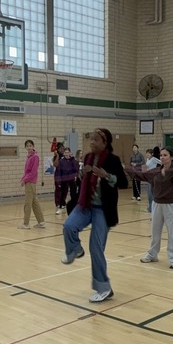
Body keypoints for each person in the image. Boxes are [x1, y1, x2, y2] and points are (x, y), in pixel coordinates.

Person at [61, 127, 128, 302]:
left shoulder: (113, 160)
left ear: (105, 142)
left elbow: (123, 182)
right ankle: (75, 249)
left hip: (103, 209)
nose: (91, 142)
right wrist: (82, 174)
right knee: (68, 226)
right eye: (90, 139)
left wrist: (106, 175)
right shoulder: (88, 158)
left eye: (95, 140)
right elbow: (83, 180)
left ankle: (103, 288)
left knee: (96, 248)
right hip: (86, 204)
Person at [130, 146, 173, 268]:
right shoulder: (155, 172)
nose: (162, 157)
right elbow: (141, 175)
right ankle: (152, 254)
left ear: (171, 157)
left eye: (165, 155)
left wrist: (168, 172)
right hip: (157, 205)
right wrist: (125, 169)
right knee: (155, 231)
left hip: (171, 206)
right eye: (161, 155)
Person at [19, 139, 46, 229]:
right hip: (29, 182)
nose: (29, 147)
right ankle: (41, 222)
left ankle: (26, 224)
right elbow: (27, 171)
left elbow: (33, 172)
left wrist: (25, 180)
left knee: (28, 203)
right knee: (35, 203)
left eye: (30, 145)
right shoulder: (29, 157)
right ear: (25, 147)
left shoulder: (35, 157)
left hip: (30, 183)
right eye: (27, 146)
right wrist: (23, 179)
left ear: (33, 146)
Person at [54, 146, 79, 214]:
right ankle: (61, 207)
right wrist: (58, 182)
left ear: (70, 153)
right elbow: (59, 172)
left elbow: (76, 169)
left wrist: (72, 159)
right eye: (65, 152)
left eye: (68, 152)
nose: (67, 153)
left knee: (73, 194)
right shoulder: (61, 161)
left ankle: (75, 208)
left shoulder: (73, 161)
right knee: (63, 194)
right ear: (64, 153)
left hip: (72, 179)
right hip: (64, 180)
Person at [144, 147, 162, 213]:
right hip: (148, 177)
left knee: (151, 193)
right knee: (149, 194)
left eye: (148, 154)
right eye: (146, 154)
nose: (147, 155)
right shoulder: (147, 159)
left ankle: (153, 208)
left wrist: (158, 170)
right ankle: (150, 208)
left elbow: (161, 162)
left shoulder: (154, 159)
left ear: (152, 154)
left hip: (153, 178)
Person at [53, 142, 65, 213]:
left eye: (63, 148)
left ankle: (63, 202)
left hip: (65, 176)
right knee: (58, 190)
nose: (62, 150)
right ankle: (57, 203)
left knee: (65, 190)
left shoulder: (65, 156)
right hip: (58, 176)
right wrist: (57, 156)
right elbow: (56, 165)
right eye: (61, 149)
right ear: (58, 150)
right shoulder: (56, 157)